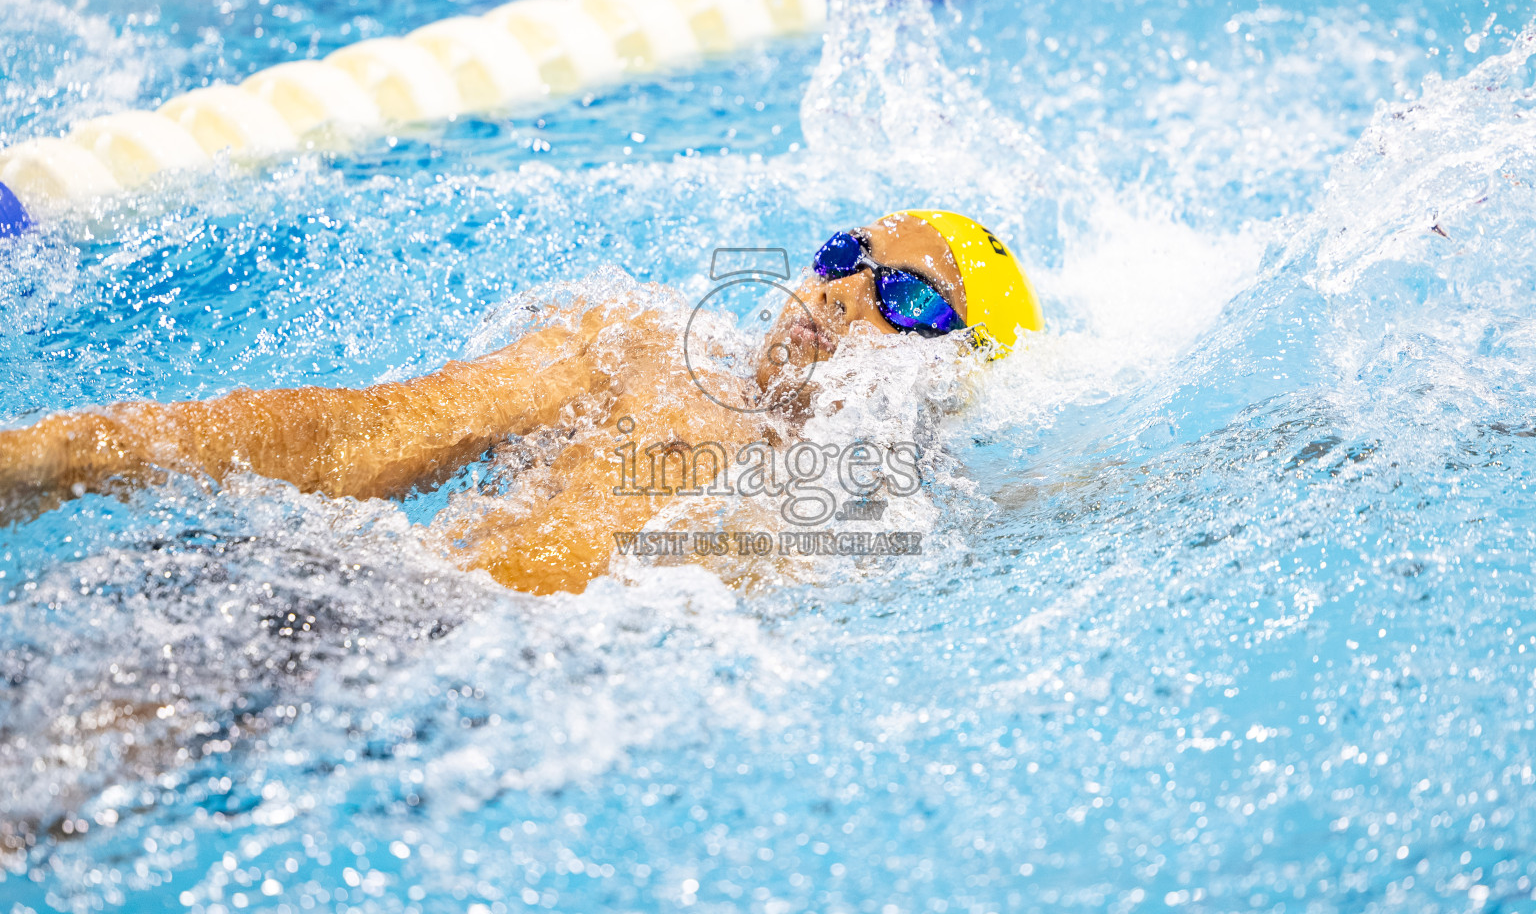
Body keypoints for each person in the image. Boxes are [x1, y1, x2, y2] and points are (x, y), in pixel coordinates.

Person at [0, 210, 1043, 594]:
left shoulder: (891, 516)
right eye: (846, 254)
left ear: (947, 371)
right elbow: (362, 436)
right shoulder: (635, 348)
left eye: (905, 298)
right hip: (350, 606)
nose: (844, 290)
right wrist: (67, 450)